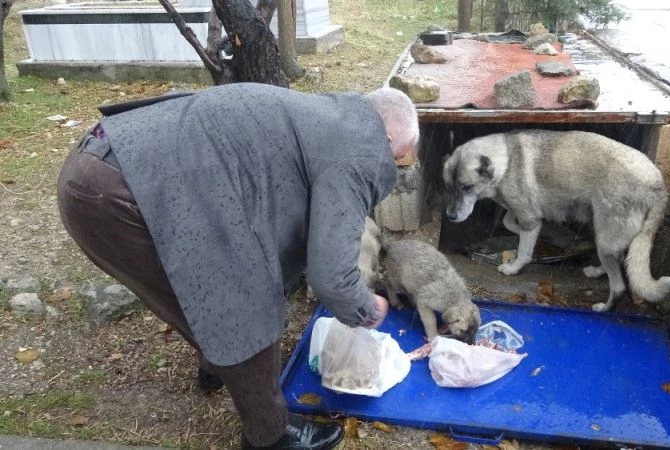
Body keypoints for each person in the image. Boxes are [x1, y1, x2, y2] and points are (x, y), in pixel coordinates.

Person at [56, 83, 419, 450]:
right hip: (121, 192)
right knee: (247, 303)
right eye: (400, 155)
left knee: (206, 283)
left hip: (99, 162)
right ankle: (270, 437)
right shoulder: (364, 147)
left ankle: (216, 366)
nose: (397, 162)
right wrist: (364, 306)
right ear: (387, 135)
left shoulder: (328, 113)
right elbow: (332, 277)